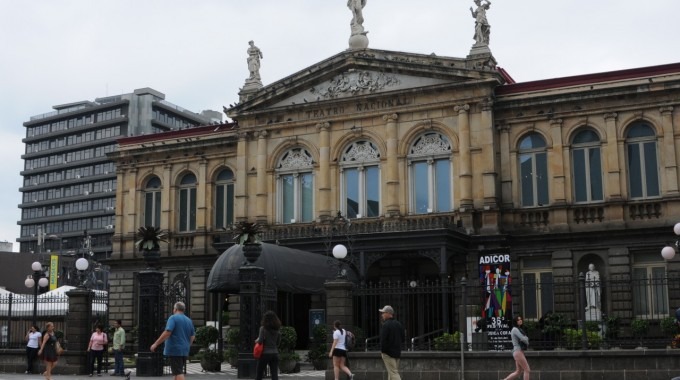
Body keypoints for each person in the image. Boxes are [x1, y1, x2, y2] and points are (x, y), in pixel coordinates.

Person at [151, 302, 196, 380]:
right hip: (184, 349)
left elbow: (167, 332)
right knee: (176, 372)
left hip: (175, 349)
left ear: (175, 309)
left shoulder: (173, 318)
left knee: (178, 373)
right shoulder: (189, 320)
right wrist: (188, 345)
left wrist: (156, 343)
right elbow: (192, 336)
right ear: (183, 310)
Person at [379, 305, 405, 380]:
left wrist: (383, 351)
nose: (382, 315)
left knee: (393, 373)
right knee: (392, 373)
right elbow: (403, 339)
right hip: (397, 352)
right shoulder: (399, 324)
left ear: (388, 313)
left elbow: (383, 340)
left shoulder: (385, 325)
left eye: (383, 313)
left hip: (388, 353)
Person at [255, 310, 282, 380]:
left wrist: (256, 340)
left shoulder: (263, 329)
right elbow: (278, 343)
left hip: (265, 353)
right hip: (275, 353)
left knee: (259, 374)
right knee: (274, 375)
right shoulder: (277, 330)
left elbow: (260, 341)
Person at [503, 315, 530, 380]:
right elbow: (524, 339)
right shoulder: (515, 329)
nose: (520, 320)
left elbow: (524, 339)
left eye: (521, 319)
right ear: (515, 321)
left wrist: (525, 339)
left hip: (518, 351)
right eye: (518, 320)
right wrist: (526, 339)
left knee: (518, 371)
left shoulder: (518, 329)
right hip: (518, 352)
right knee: (527, 370)